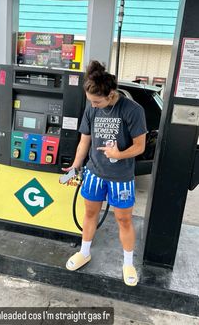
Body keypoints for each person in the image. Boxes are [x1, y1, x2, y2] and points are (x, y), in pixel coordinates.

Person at [64, 60, 147, 287]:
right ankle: (85, 252)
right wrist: (75, 164)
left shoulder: (133, 111)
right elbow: (85, 140)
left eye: (97, 101)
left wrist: (118, 154)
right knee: (90, 214)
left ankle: (128, 263)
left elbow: (140, 146)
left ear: (111, 94)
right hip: (94, 173)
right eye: (90, 101)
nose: (93, 105)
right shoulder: (92, 108)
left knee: (124, 219)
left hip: (121, 178)